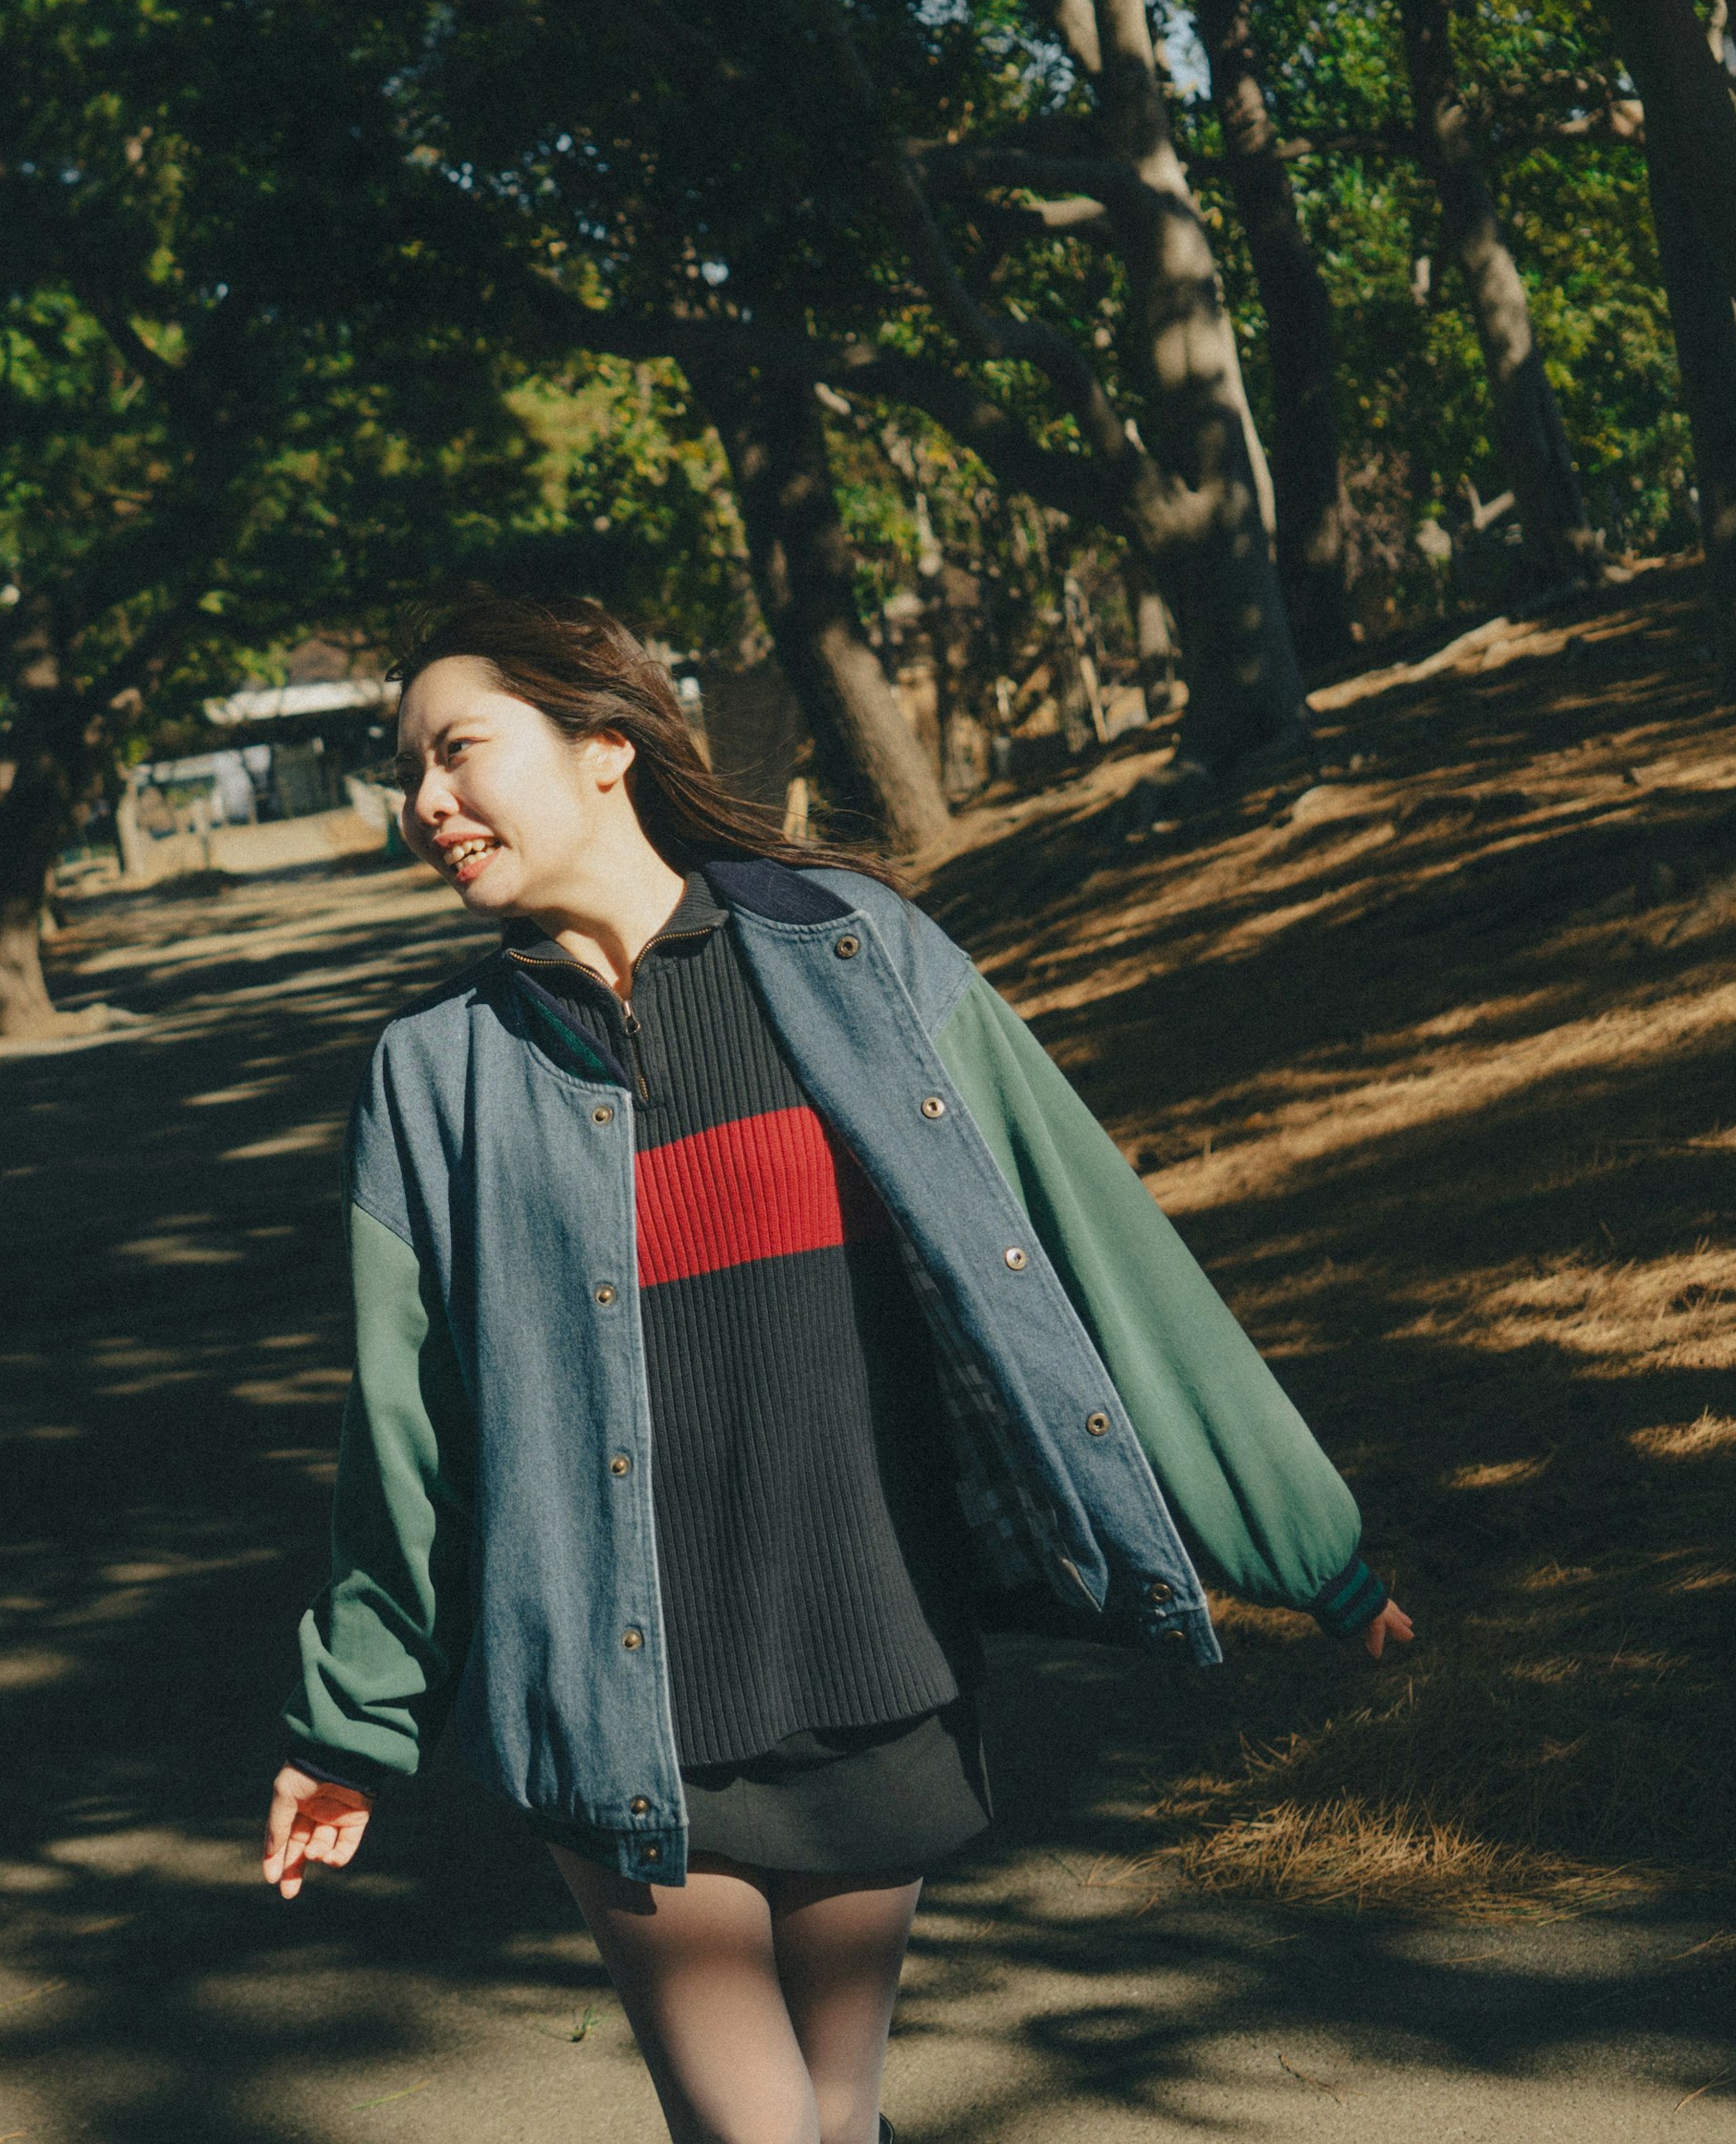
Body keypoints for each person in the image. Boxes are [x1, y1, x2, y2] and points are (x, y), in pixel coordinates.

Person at [257, 597, 1413, 2144]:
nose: (425, 805)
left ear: (606, 747)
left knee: (834, 2111)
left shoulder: (858, 961)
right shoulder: (437, 1081)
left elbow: (1098, 1249)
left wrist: (1307, 1545)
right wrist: (349, 1730)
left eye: (459, 752)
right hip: (624, 1699)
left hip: (878, 1652)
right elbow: (410, 1442)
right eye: (411, 771)